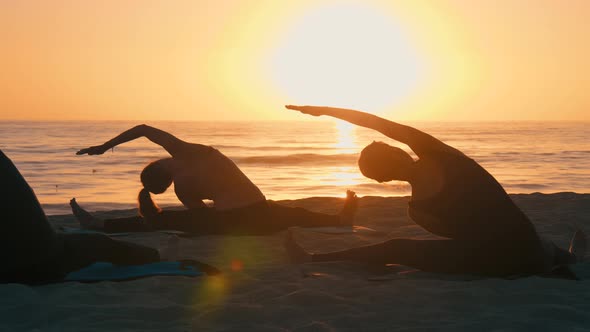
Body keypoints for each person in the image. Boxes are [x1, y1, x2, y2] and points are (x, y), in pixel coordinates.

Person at [284, 105, 586, 278]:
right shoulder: (443, 155)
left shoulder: (417, 210)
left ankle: (312, 260)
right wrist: (325, 110)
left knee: (395, 247)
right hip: (529, 251)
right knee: (512, 226)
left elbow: (459, 235)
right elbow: (380, 124)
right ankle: (565, 261)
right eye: (390, 148)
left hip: (494, 262)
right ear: (396, 153)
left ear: (383, 180)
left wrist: (323, 111)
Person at [72, 124, 357, 235]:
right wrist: (104, 146)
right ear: (156, 163)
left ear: (164, 184)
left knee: (172, 219)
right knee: (292, 213)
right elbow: (145, 129)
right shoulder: (185, 152)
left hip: (239, 224)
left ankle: (102, 224)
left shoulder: (183, 188)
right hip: (259, 213)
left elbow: (202, 218)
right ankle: (338, 220)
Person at [0, 149, 170, 285]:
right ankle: (150, 254)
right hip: (36, 262)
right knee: (97, 243)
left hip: (25, 263)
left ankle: (101, 230)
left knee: (95, 242)